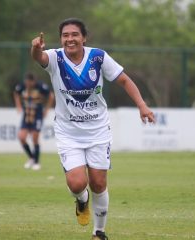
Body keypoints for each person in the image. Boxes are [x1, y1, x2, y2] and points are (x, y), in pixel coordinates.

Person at [31, 18, 155, 240]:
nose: (70, 39)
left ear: (83, 37)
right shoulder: (55, 57)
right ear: (61, 39)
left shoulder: (98, 57)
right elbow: (39, 57)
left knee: (98, 183)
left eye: (74, 34)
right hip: (68, 133)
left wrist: (142, 105)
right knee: (78, 183)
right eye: (65, 35)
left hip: (98, 130)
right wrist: (35, 48)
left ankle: (99, 232)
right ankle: (81, 200)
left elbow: (125, 80)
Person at [13, 72, 54, 170]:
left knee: (35, 138)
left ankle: (36, 162)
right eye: (26, 82)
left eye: (29, 82)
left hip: (37, 116)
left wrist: (47, 109)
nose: (27, 84)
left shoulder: (41, 86)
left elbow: (51, 96)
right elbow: (16, 93)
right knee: (21, 137)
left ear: (33, 81)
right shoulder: (22, 86)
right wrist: (18, 105)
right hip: (27, 116)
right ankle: (31, 158)